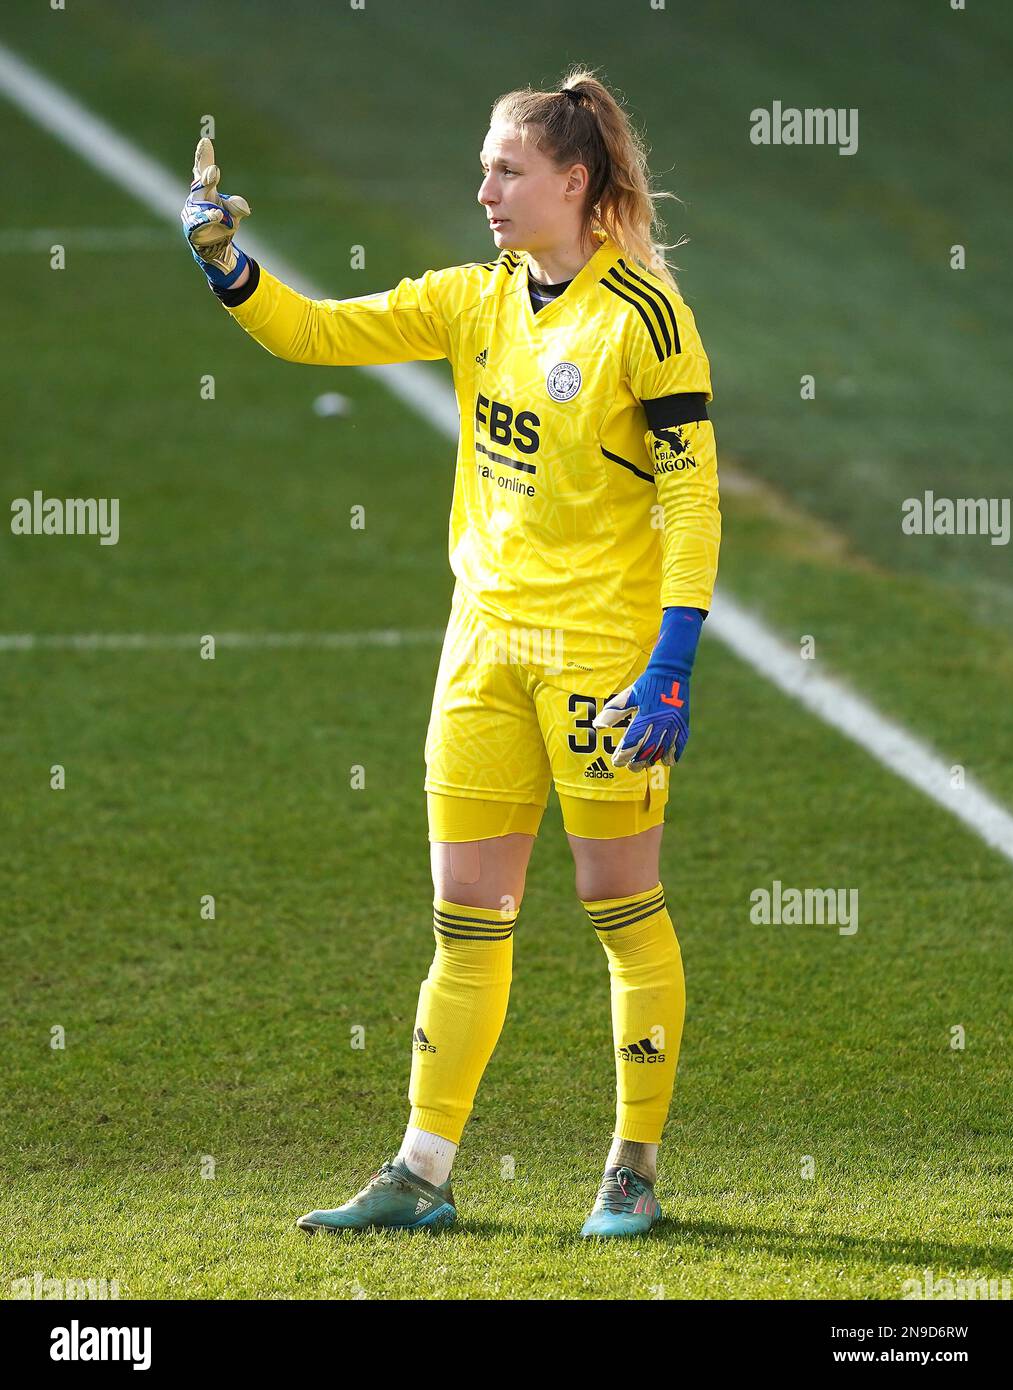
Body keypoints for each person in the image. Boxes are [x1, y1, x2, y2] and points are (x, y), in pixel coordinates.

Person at [182, 68, 721, 1239]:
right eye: (485, 167)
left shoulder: (645, 320)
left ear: (572, 183)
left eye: (506, 170)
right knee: (464, 915)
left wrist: (671, 657)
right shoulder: (474, 300)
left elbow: (692, 502)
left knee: (616, 901)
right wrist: (228, 266)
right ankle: (421, 1170)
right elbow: (319, 330)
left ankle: (630, 1167)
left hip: (600, 656)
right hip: (480, 649)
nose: (482, 188)